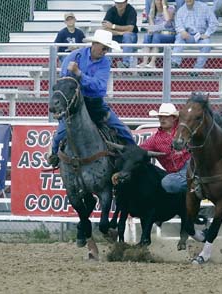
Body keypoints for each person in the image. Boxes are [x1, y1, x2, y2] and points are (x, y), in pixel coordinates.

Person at [48, 30, 135, 167]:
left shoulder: (105, 62)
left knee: (123, 130)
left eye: (107, 48)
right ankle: (53, 155)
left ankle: (134, 156)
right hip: (74, 105)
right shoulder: (74, 56)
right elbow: (65, 83)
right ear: (94, 44)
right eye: (104, 47)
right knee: (60, 133)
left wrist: (79, 74)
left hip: (95, 104)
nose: (105, 51)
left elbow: (99, 87)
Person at [140, 103, 190, 194]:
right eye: (160, 117)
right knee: (167, 183)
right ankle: (197, 183)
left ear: (174, 118)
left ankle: (196, 182)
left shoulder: (183, 129)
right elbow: (138, 151)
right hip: (176, 174)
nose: (162, 119)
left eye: (166, 116)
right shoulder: (154, 140)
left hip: (191, 163)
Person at [171, 0, 219, 75]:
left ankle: (197, 69)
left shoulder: (204, 7)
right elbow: (178, 25)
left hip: (200, 36)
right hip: (187, 36)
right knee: (179, 37)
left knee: (207, 44)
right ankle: (175, 62)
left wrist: (207, 34)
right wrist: (182, 31)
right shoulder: (181, 10)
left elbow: (214, 22)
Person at [138, 0, 176, 68]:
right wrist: (151, 13)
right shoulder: (154, 12)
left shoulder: (170, 8)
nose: (158, 2)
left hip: (169, 35)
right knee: (147, 36)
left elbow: (167, 20)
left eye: (161, 0)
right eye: (157, 0)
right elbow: (152, 27)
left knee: (156, 36)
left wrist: (164, 6)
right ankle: (145, 61)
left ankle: (152, 62)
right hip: (157, 35)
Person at [102, 0, 138, 68]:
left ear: (126, 2)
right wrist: (120, 33)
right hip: (117, 35)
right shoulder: (111, 11)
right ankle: (108, 62)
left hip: (131, 37)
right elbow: (105, 28)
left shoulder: (131, 10)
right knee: (106, 35)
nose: (119, 4)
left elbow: (130, 29)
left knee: (127, 36)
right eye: (117, 3)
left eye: (121, 3)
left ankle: (126, 63)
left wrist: (113, 26)